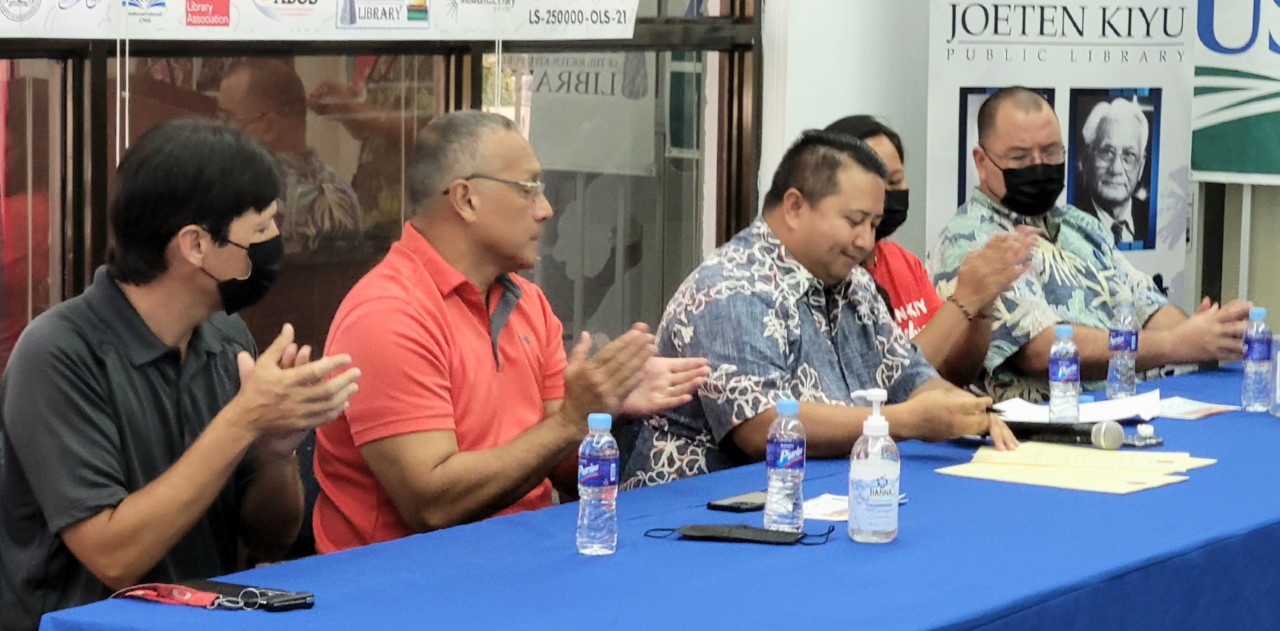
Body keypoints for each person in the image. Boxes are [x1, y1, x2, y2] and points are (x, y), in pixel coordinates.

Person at [0, 119, 362, 629]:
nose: (276, 242)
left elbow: (269, 539)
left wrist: (275, 451)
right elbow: (114, 558)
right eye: (261, 229)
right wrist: (244, 418)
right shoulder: (58, 353)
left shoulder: (227, 338)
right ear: (195, 244)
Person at [311, 111, 707, 553]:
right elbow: (432, 505)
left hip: (524, 555)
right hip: (403, 579)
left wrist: (606, 409)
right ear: (466, 199)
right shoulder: (388, 315)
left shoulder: (527, 302)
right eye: (528, 187)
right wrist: (572, 420)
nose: (546, 209)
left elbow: (558, 466)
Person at [622, 130, 1017, 490]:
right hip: (698, 512)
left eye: (874, 224)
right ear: (795, 206)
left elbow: (909, 375)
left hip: (820, 495)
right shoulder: (730, 287)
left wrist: (967, 411)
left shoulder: (854, 283)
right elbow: (761, 426)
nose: (866, 241)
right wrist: (904, 421)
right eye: (854, 221)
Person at [929, 87, 1250, 403]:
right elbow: (1040, 349)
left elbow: (1146, 305)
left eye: (1051, 152)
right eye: (1020, 157)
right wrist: (1175, 344)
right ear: (981, 161)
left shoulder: (1078, 224)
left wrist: (1206, 333)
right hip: (1044, 426)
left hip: (1126, 406)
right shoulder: (973, 240)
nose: (1038, 165)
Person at [824, 115, 1038, 386]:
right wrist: (964, 300)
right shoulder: (832, 276)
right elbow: (889, 381)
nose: (885, 194)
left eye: (895, 181)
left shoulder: (903, 262)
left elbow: (954, 371)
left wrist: (983, 305)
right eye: (875, 183)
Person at [217, 59, 363, 259]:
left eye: (227, 118)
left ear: (268, 126)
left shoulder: (248, 195)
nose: (219, 129)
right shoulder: (342, 192)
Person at [1074, 97, 1150, 245]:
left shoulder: (1152, 219)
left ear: (1141, 166)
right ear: (1086, 159)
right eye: (1107, 152)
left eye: (1128, 155)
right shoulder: (1069, 223)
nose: (1116, 169)